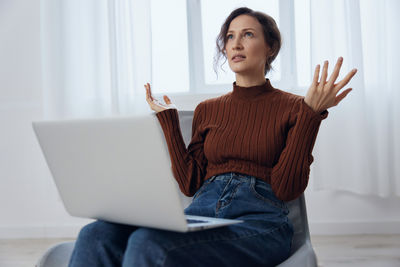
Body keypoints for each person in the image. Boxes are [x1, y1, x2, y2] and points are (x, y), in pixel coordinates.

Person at [69, 7, 357, 267]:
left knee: (147, 244)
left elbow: (287, 189)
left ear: (270, 48)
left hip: (259, 222)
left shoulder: (296, 107)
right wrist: (168, 121)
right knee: (96, 234)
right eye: (230, 37)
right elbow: (190, 183)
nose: (236, 43)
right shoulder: (207, 110)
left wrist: (310, 115)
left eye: (247, 34)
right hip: (203, 215)